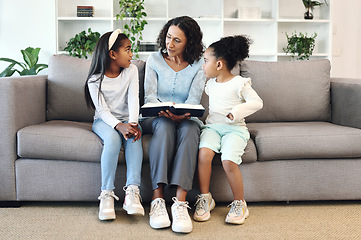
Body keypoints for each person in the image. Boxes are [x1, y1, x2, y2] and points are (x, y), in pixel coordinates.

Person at [140, 16, 206, 233]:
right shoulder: (154, 60)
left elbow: (194, 100)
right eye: (168, 37)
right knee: (164, 126)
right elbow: (149, 96)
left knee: (190, 129)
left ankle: (180, 203)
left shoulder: (199, 64)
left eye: (177, 40)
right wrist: (164, 110)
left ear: (190, 42)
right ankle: (157, 201)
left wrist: (183, 114)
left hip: (187, 117)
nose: (170, 44)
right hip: (156, 116)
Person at [193, 35, 263, 225]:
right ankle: (205, 197)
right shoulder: (210, 85)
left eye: (206, 61)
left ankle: (240, 203)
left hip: (234, 130)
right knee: (204, 155)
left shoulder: (240, 83)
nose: (203, 65)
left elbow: (257, 102)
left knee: (228, 161)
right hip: (213, 128)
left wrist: (236, 112)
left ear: (219, 65)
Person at [84, 29, 144, 220]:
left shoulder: (132, 70)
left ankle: (132, 192)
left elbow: (134, 99)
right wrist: (119, 126)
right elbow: (102, 111)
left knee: (134, 138)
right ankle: (107, 194)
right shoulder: (94, 79)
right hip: (104, 121)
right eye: (127, 49)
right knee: (111, 140)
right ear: (112, 54)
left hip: (129, 118)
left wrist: (132, 124)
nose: (131, 54)